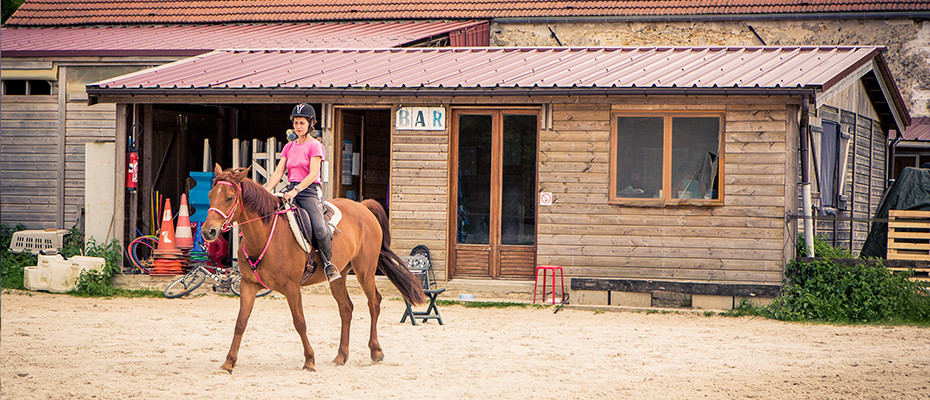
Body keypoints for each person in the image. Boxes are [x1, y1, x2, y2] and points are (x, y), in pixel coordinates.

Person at [264, 104, 341, 282]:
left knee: (319, 228)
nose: (298, 126)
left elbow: (313, 173)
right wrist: (266, 191)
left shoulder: (315, 146)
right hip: (290, 189)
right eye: (296, 123)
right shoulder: (288, 147)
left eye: (302, 123)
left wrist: (297, 190)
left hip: (309, 191)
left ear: (311, 124)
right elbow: (278, 172)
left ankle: (328, 264)